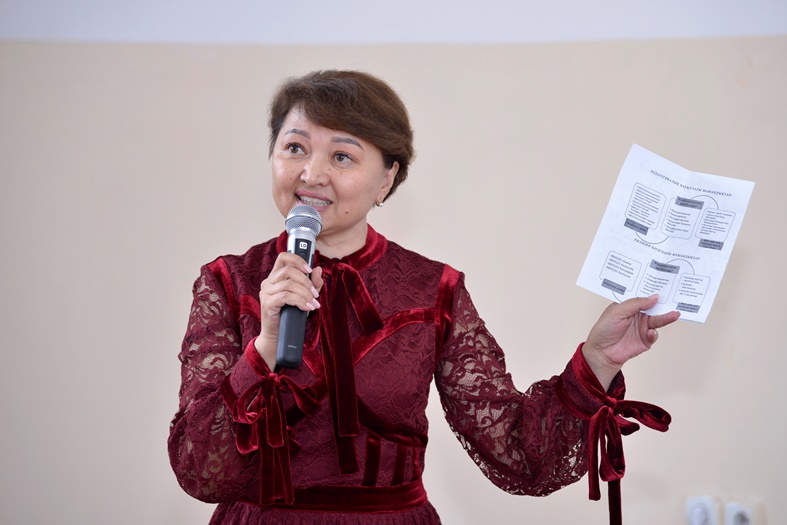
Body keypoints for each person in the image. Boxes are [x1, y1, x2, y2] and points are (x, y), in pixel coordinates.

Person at [168, 69, 680, 525]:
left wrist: (598, 360)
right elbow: (198, 469)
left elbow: (518, 455)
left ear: (386, 178)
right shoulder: (227, 282)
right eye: (295, 148)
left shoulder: (433, 289)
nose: (311, 173)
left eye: (341, 156)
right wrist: (262, 352)